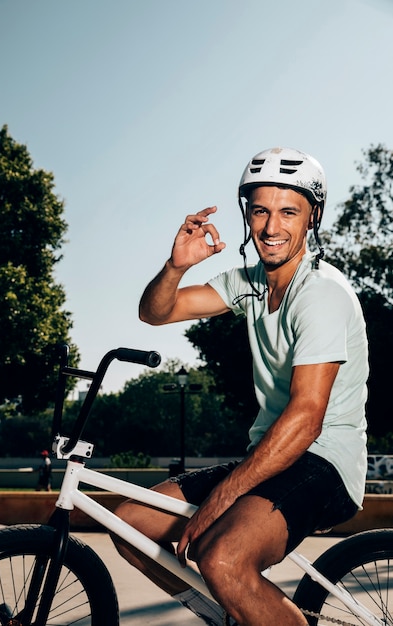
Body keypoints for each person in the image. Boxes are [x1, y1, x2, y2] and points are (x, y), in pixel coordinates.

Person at [112, 147, 368, 626]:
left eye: (288, 212)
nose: (271, 228)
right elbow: (155, 312)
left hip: (324, 461)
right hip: (270, 456)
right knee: (127, 523)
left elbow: (307, 417)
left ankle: (243, 598)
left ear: (313, 218)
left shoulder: (321, 295)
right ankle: (238, 613)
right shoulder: (248, 283)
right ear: (246, 216)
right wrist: (176, 266)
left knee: (223, 560)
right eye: (260, 211)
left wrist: (224, 496)